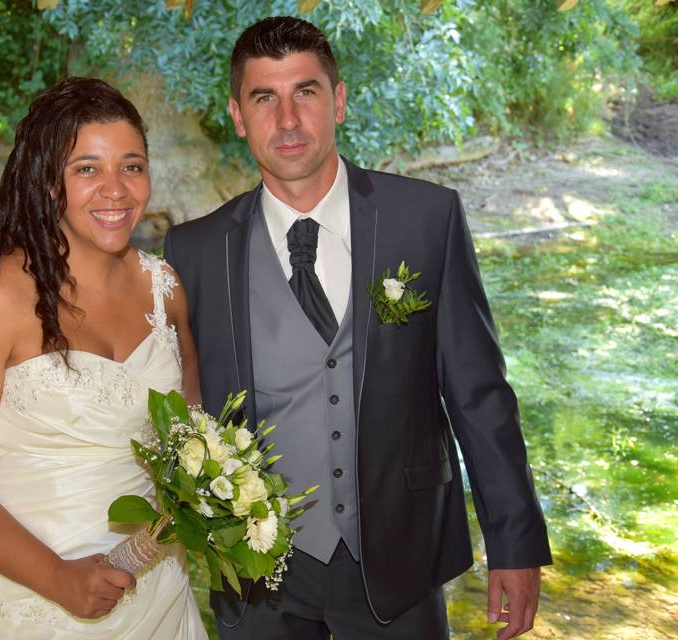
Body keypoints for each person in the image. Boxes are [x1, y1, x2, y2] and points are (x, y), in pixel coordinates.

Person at [163, 16, 552, 640]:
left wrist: (514, 541)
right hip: (258, 578)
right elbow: (184, 407)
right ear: (238, 115)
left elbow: (480, 394)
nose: (287, 120)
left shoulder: (426, 219)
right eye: (265, 98)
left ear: (338, 100)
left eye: (306, 92)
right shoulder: (196, 250)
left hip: (398, 557)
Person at [0, 76, 207, 639]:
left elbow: (194, 439)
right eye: (86, 169)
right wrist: (57, 578)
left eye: (131, 166)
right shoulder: (1, 297)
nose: (115, 190)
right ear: (48, 183)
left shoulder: (166, 289)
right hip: (22, 601)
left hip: (152, 597)